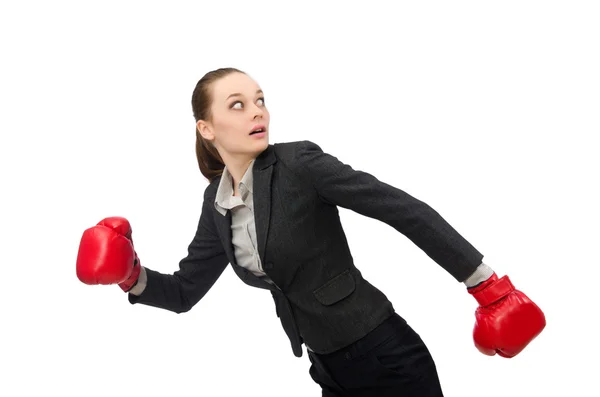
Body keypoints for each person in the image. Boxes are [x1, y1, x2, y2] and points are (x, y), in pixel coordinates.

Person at [76, 67, 546, 396]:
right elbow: (183, 291)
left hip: (386, 356)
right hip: (326, 369)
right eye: (237, 105)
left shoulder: (299, 164)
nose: (256, 111)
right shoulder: (216, 203)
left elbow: (401, 209)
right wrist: (130, 276)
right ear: (207, 128)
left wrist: (487, 285)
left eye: (260, 100)